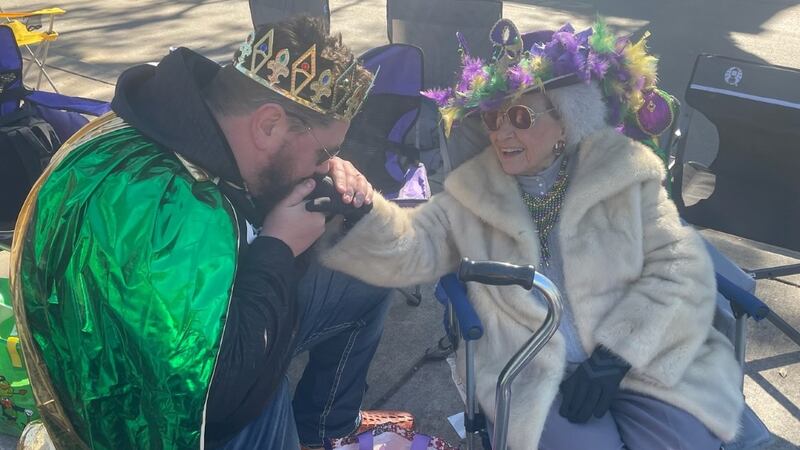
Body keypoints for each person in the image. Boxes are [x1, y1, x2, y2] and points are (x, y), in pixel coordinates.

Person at [318, 19, 744, 449]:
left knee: (687, 439)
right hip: (527, 366)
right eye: (492, 115)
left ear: (566, 120)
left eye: (520, 115)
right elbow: (415, 244)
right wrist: (365, 207)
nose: (502, 131)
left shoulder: (621, 175)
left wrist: (619, 352)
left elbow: (677, 264)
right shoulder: (475, 189)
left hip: (634, 361)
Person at [11, 16, 410, 450]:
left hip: (220, 346)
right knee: (262, 390)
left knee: (370, 270)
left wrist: (343, 200)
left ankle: (327, 431)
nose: (326, 164)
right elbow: (221, 397)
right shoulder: (164, 205)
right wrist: (279, 246)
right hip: (195, 412)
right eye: (325, 151)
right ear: (269, 124)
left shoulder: (190, 131)